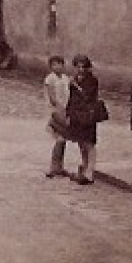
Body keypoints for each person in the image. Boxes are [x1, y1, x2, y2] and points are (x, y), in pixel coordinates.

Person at [67, 54, 101, 185]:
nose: (80, 69)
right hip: (76, 114)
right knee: (81, 142)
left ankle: (90, 172)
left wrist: (76, 85)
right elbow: (71, 99)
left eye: (83, 66)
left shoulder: (92, 80)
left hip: (88, 115)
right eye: (78, 66)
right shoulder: (74, 79)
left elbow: (88, 96)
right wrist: (68, 113)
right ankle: (85, 166)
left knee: (89, 143)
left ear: (87, 67)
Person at [43, 55, 70, 178]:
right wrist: (60, 108)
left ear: (63, 65)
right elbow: (52, 97)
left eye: (59, 64)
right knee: (59, 139)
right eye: (54, 65)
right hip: (55, 111)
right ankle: (54, 167)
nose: (56, 67)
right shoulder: (50, 79)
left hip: (65, 110)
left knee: (63, 139)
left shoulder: (65, 78)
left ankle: (59, 166)